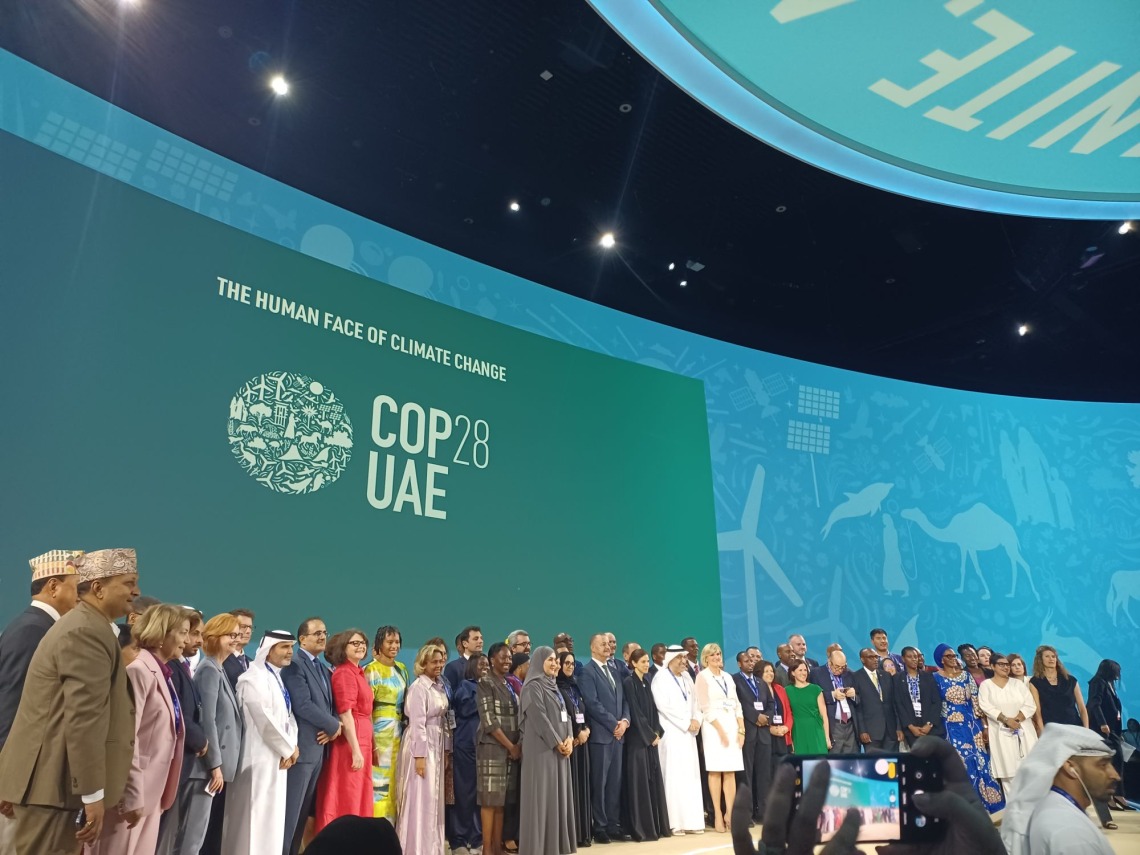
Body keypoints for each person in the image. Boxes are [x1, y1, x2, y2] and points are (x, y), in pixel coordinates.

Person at [0, 547, 138, 854]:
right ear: (99, 588)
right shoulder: (84, 631)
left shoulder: (89, 626)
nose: (136, 591)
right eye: (128, 583)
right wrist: (92, 794)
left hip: (55, 785)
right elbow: (83, 718)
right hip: (51, 785)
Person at [89, 603, 189, 854]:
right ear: (162, 633)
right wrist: (131, 795)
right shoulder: (138, 672)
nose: (186, 640)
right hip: (132, 794)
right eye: (182, 632)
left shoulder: (161, 672)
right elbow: (125, 738)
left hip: (153, 791)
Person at [0, 549, 82, 853]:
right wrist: (8, 778)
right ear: (53, 586)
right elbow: (13, 703)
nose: (80, 597)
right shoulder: (32, 631)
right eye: (76, 587)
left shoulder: (40, 627)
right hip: (20, 781)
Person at [170, 612, 244, 855]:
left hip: (210, 769)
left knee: (196, 836)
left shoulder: (218, 669)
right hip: (203, 769)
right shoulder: (209, 670)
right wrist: (215, 764)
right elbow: (207, 720)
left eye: (237, 635)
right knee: (191, 837)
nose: (236, 639)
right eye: (231, 635)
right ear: (215, 637)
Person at [222, 630, 301, 855]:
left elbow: (288, 717)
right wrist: (288, 748)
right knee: (252, 820)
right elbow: (264, 720)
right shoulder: (252, 679)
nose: (289, 652)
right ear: (268, 650)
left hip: (278, 758)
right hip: (256, 760)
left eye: (291, 647)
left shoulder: (276, 679)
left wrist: (292, 746)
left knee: (271, 821)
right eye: (284, 647)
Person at [1000, 723, 1120, 855]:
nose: (1115, 775)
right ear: (1070, 767)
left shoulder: (1055, 809)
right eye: (1102, 765)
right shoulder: (1070, 831)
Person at [282, 617, 342, 854]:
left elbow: (330, 704)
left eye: (324, 632)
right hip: (304, 748)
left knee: (304, 812)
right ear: (302, 639)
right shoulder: (295, 664)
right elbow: (303, 704)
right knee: (291, 811)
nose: (322, 636)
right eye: (316, 633)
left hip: (318, 750)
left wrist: (334, 724)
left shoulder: (321, 667)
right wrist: (333, 726)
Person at [156, 608, 208, 855]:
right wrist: (200, 740)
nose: (196, 640)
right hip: (166, 760)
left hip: (181, 759)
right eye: (189, 633)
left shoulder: (179, 666)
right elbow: (178, 714)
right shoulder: (171, 668)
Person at [932, 643, 1004, 814]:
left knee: (982, 762)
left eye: (954, 656)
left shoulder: (966, 676)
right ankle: (969, 809)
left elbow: (975, 701)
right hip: (951, 727)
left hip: (973, 725)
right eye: (949, 656)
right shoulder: (935, 678)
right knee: (962, 764)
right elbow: (937, 704)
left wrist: (984, 726)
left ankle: (993, 808)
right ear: (941, 660)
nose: (953, 659)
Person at [519, 646, 577, 855]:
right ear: (538, 662)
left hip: (559, 751)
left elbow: (567, 716)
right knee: (540, 799)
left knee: (556, 799)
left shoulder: (553, 687)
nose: (555, 664)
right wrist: (557, 742)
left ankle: (555, 846)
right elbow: (539, 718)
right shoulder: (533, 687)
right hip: (541, 751)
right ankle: (537, 848)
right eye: (550, 660)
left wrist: (569, 738)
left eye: (556, 660)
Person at [315, 629, 373, 831]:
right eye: (354, 643)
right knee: (347, 795)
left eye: (363, 642)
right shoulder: (344, 673)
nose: (360, 646)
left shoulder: (358, 671)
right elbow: (345, 713)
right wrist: (356, 749)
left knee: (359, 795)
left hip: (362, 738)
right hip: (349, 742)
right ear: (343, 648)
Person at [396, 642, 451, 855]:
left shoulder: (438, 686)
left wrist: (446, 750)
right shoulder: (419, 688)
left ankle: (431, 847)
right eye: (434, 662)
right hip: (423, 744)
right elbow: (418, 723)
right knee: (420, 796)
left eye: (441, 661)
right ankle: (414, 847)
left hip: (437, 745)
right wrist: (419, 756)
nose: (439, 665)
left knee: (434, 799)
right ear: (423, 664)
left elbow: (444, 721)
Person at [578, 632, 629, 844]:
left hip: (618, 736)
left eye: (608, 643)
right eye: (603, 644)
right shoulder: (587, 672)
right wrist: (613, 724)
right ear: (592, 648)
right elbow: (592, 703)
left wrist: (625, 721)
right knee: (600, 783)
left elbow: (624, 699)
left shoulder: (615, 670)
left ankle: (613, 824)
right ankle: (599, 826)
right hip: (601, 737)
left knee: (615, 783)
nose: (607, 647)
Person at [652, 646, 703, 835]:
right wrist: (685, 722)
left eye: (685, 657)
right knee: (674, 778)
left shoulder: (688, 678)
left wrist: (697, 719)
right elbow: (663, 706)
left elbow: (697, 703)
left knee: (690, 777)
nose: (684, 660)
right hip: (672, 734)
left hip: (689, 735)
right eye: (680, 657)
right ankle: (675, 823)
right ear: (671, 658)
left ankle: (692, 821)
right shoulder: (661, 678)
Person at [620, 649, 670, 841]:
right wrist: (649, 735)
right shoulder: (629, 683)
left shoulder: (646, 682)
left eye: (646, 661)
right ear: (633, 663)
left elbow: (653, 711)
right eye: (642, 661)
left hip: (650, 740)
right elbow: (636, 712)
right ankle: (642, 829)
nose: (645, 664)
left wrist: (657, 732)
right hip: (638, 742)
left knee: (652, 783)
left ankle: (656, 826)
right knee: (639, 783)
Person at [694, 643, 744, 833]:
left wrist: (741, 729)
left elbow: (736, 704)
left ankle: (730, 814)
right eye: (713, 655)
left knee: (730, 772)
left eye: (719, 654)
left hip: (732, 726)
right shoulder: (702, 677)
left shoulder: (728, 677)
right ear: (706, 658)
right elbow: (704, 707)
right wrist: (721, 731)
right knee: (715, 771)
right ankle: (717, 814)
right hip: (713, 728)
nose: (717, 657)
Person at [478, 642, 521, 855]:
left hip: (510, 750)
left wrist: (517, 745)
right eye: (503, 657)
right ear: (492, 659)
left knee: (502, 801)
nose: (507, 661)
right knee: (489, 801)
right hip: (492, 748)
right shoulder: (486, 682)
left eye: (510, 658)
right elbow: (489, 722)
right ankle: (487, 849)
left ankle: (497, 847)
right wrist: (511, 746)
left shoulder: (509, 685)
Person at [364, 625, 409, 821]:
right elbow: (366, 708)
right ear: (379, 645)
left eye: (397, 642)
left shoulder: (402, 669)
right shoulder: (370, 670)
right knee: (378, 784)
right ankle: (375, 829)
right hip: (378, 735)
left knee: (396, 782)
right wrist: (370, 741)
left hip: (399, 735)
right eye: (389, 642)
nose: (394, 646)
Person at [978, 653, 1038, 796]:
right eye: (1001, 664)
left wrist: (1016, 720)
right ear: (992, 666)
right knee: (1009, 773)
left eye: (1007, 665)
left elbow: (1030, 705)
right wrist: (1006, 720)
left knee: (1031, 771)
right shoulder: (986, 686)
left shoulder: (1017, 684)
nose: (1005, 667)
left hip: (1023, 730)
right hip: (1001, 733)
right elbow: (985, 706)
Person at [449, 654, 486, 855]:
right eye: (482, 664)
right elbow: (465, 709)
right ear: (472, 666)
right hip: (466, 745)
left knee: (479, 794)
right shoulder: (465, 686)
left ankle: (477, 837)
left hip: (484, 748)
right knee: (464, 794)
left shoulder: (489, 685)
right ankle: (459, 840)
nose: (486, 667)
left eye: (488, 664)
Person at [557, 651, 594, 847]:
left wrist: (586, 729)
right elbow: (563, 716)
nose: (570, 666)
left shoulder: (575, 687)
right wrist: (575, 734)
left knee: (582, 787)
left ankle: (583, 833)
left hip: (582, 743)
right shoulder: (557, 688)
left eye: (572, 663)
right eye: (566, 663)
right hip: (569, 745)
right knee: (571, 789)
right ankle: (571, 834)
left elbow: (583, 711)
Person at [733, 649, 770, 823]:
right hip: (747, 731)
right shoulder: (735, 680)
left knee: (763, 774)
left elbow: (770, 702)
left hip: (763, 733)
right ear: (739, 664)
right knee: (746, 774)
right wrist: (756, 717)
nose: (751, 663)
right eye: (746, 661)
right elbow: (739, 704)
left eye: (752, 661)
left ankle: (762, 812)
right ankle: (746, 814)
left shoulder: (761, 682)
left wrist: (766, 717)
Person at [1087, 659, 1127, 813]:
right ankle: (1109, 797)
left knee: (1118, 761)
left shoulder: (1110, 684)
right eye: (1116, 670)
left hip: (1113, 730)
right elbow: (1094, 704)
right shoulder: (1097, 682)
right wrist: (1102, 723)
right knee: (1111, 762)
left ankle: (1119, 795)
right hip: (1103, 730)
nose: (1118, 674)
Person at [851, 647, 901, 751]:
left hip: (891, 731)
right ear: (862, 659)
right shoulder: (856, 677)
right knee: (874, 765)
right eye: (871, 657)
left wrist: (898, 727)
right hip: (871, 732)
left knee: (892, 764)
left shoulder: (886, 675)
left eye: (876, 657)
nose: (875, 659)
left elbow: (894, 703)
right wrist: (862, 730)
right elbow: (857, 707)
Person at [894, 646, 944, 747]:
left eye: (916, 657)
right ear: (903, 659)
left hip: (930, 726)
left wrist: (929, 725)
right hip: (911, 728)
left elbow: (936, 702)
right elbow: (898, 704)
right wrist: (910, 727)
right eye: (910, 657)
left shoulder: (928, 676)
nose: (914, 659)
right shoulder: (897, 678)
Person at [1030, 645, 1087, 733]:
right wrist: (1042, 732)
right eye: (1047, 656)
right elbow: (1038, 712)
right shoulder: (1035, 682)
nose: (1051, 659)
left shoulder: (1071, 680)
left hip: (1074, 727)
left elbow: (1082, 708)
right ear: (1040, 660)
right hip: (1052, 730)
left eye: (1053, 656)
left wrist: (1086, 730)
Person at [810, 649, 857, 753]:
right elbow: (812, 698)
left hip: (850, 726)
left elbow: (860, 699)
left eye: (843, 667)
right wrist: (832, 695)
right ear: (829, 662)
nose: (840, 670)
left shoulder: (850, 673)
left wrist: (854, 695)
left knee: (852, 761)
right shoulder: (816, 673)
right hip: (832, 725)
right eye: (837, 667)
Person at [757, 662, 792, 781]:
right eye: (766, 671)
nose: (770, 673)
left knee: (783, 771)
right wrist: (770, 728)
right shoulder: (757, 689)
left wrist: (786, 727)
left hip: (782, 736)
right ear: (760, 673)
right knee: (768, 772)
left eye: (771, 671)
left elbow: (788, 712)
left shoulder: (780, 689)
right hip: (767, 735)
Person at [785, 659, 828, 754]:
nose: (803, 673)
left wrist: (827, 738)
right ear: (793, 673)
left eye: (805, 670)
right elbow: (787, 715)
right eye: (800, 670)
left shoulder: (816, 689)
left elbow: (824, 715)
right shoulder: (787, 691)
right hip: (798, 731)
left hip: (816, 730)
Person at [224, 608, 256, 690]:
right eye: (243, 627)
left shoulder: (252, 663)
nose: (248, 631)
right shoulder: (221, 660)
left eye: (250, 627)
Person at [445, 626, 484, 692]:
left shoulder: (487, 666)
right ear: (465, 644)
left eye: (481, 638)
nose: (480, 641)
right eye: (476, 639)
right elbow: (451, 696)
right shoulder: (453, 667)